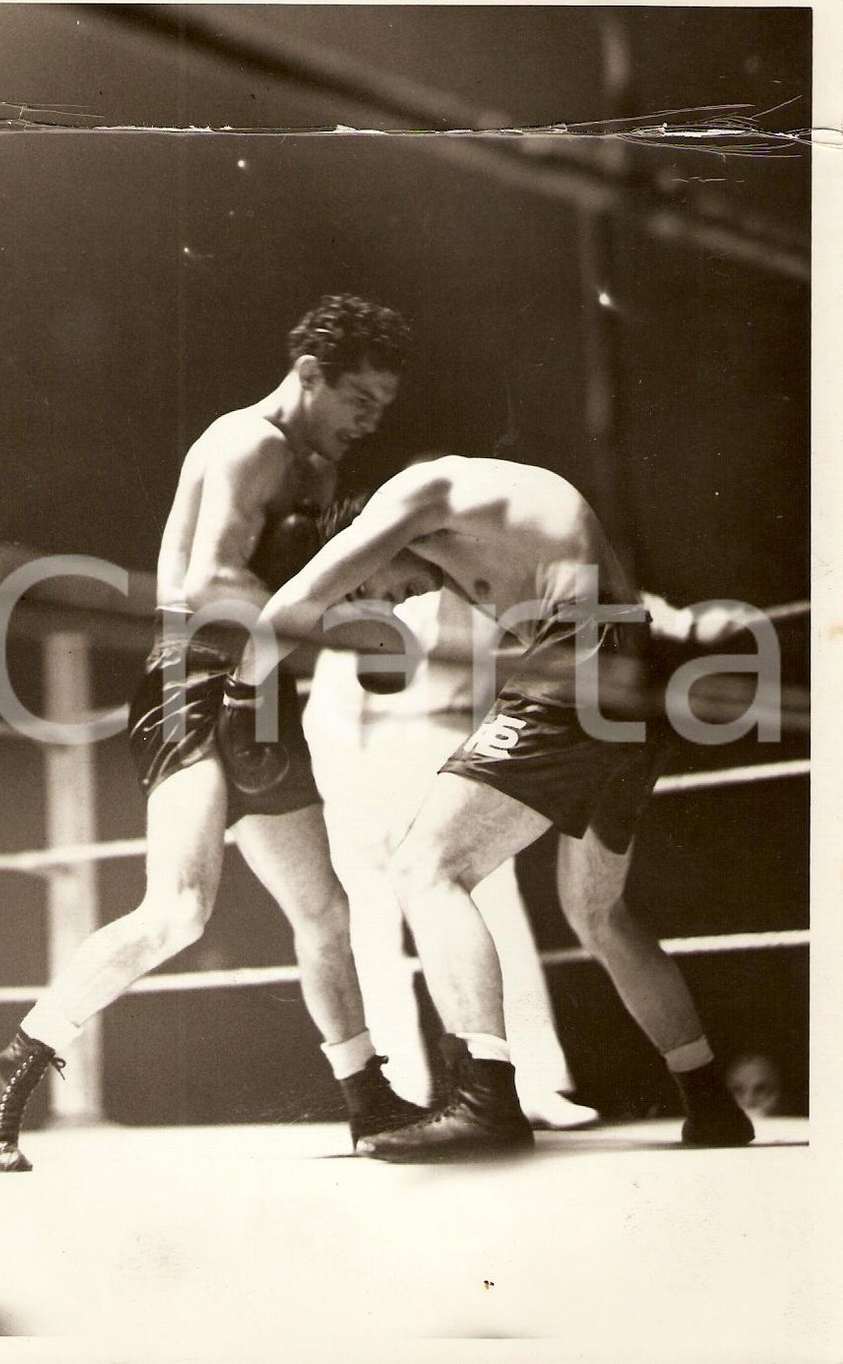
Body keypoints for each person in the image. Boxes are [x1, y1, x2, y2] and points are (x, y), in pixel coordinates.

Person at [0, 294, 424, 1171]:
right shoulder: (249, 442)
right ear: (310, 374)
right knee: (178, 909)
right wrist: (323, 617)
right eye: (361, 398)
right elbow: (209, 578)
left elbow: (291, 600)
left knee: (325, 908)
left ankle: (367, 1097)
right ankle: (7, 1068)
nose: (371, 420)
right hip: (193, 680)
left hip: (264, 688)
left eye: (384, 407)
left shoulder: (316, 468)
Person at [225, 453, 756, 1161]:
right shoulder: (489, 540)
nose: (397, 601)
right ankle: (712, 1102)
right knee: (599, 912)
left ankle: (486, 1100)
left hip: (585, 660)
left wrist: (239, 701)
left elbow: (294, 603)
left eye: (376, 591)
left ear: (369, 549)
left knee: (425, 868)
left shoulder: (413, 492)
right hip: (626, 674)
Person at [304, 586, 600, 1127]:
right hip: (351, 770)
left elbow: (556, 600)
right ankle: (403, 1090)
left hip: (445, 761)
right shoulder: (343, 605)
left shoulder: (467, 586)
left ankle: (529, 1079)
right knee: (371, 929)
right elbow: (328, 703)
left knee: (492, 910)